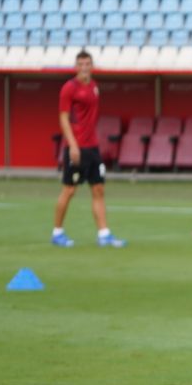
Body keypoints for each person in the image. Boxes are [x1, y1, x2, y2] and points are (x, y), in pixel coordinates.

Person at [52, 50, 126, 248]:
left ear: (92, 66)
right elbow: (63, 118)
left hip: (93, 148)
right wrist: (73, 145)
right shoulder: (69, 88)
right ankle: (57, 232)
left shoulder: (94, 87)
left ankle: (104, 234)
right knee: (69, 190)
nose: (84, 68)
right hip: (76, 148)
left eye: (87, 64)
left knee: (99, 189)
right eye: (81, 64)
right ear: (76, 67)